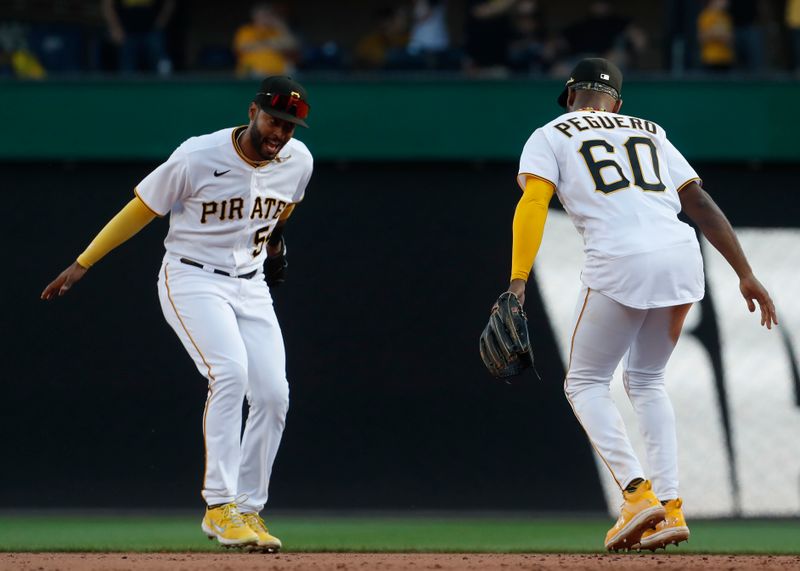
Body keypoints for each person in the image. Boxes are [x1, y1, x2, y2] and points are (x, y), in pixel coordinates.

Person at [502, 58, 777, 551]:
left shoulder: (550, 134)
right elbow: (700, 204)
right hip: (681, 258)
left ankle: (635, 495)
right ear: (618, 103)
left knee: (585, 382)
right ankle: (670, 507)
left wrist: (518, 281)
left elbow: (534, 203)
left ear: (570, 97)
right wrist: (745, 272)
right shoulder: (650, 131)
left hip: (620, 259)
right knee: (647, 380)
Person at [41, 76, 314, 552]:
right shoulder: (197, 156)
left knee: (273, 394)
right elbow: (141, 209)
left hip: (250, 285)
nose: (280, 133)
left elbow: (281, 211)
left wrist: (275, 247)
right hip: (192, 278)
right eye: (274, 120)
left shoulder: (298, 160)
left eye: (289, 125)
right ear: (252, 112)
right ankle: (219, 505)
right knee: (229, 373)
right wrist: (83, 262)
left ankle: (248, 510)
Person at [102, 0, 175, 74]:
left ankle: (165, 84)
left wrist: (162, 21)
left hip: (152, 30)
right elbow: (107, 5)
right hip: (127, 33)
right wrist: (115, 28)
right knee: (127, 70)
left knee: (161, 65)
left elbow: (169, 2)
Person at [233, 3, 298, 77]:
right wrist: (271, 44)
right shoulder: (246, 30)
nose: (266, 18)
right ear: (255, 17)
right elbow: (242, 48)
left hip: (280, 71)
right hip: (255, 71)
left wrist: (281, 26)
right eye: (263, 15)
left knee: (292, 70)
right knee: (256, 73)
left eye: (269, 15)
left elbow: (292, 45)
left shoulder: (276, 31)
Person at [697, 0, 735, 71]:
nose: (726, 2)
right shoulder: (706, 16)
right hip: (710, 59)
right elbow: (702, 38)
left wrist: (715, 33)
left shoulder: (726, 17)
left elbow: (730, 39)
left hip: (726, 59)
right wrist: (718, 34)